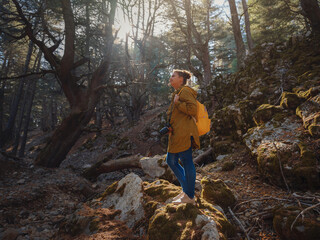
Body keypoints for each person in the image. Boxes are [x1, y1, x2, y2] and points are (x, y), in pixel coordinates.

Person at [165, 69, 200, 205]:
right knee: (171, 161)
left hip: (185, 133)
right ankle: (187, 190)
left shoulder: (185, 91)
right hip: (177, 134)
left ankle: (189, 196)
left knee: (186, 161)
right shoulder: (177, 93)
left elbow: (192, 110)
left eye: (173, 76)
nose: (170, 78)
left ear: (181, 79)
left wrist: (178, 104)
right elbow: (178, 116)